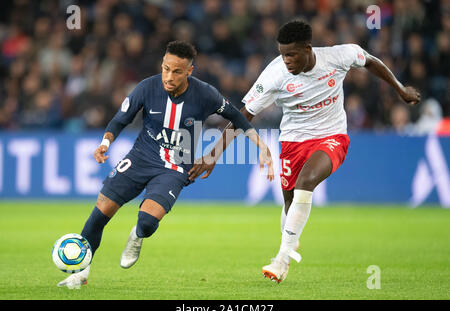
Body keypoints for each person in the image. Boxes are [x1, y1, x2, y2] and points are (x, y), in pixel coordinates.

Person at [188, 20, 421, 283]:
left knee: (306, 183)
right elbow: (245, 114)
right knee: (289, 204)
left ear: (308, 49)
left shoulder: (337, 57)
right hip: (292, 142)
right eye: (282, 54)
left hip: (332, 137)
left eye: (291, 54)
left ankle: (281, 259)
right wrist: (213, 154)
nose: (286, 60)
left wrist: (400, 89)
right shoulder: (275, 74)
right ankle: (290, 242)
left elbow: (369, 60)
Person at [57, 40, 274, 289]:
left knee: (148, 223)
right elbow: (120, 120)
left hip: (176, 167)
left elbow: (237, 117)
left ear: (189, 71)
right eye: (165, 68)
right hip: (141, 158)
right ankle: (80, 273)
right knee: (101, 212)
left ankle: (137, 235)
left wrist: (261, 146)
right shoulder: (147, 87)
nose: (169, 76)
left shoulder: (205, 94)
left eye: (177, 71)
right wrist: (105, 144)